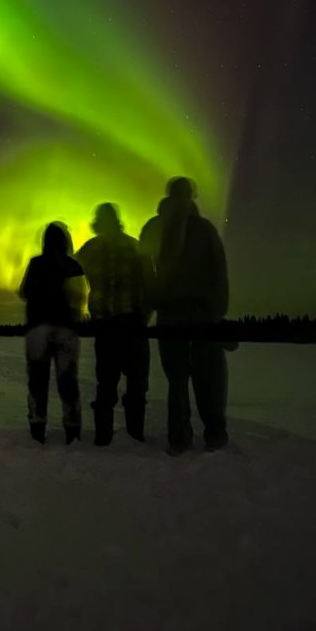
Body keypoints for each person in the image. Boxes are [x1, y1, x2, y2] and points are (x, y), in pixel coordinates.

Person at [139, 177, 230, 455]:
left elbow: (145, 272)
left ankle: (179, 438)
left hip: (169, 314)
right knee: (209, 378)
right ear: (192, 195)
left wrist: (152, 303)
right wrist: (216, 313)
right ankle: (214, 435)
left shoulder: (153, 228)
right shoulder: (204, 229)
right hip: (202, 315)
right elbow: (218, 275)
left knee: (177, 380)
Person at [76, 203, 149, 446]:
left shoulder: (90, 249)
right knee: (136, 384)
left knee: (105, 384)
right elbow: (148, 282)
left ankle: (103, 437)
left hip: (105, 326)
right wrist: (143, 314)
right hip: (132, 324)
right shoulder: (133, 246)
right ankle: (135, 435)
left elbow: (73, 278)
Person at [19, 222, 87, 445]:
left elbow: (25, 292)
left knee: (37, 381)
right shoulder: (73, 266)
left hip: (38, 328)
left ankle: (37, 428)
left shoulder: (36, 264)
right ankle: (72, 430)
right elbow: (80, 298)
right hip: (66, 329)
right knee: (68, 382)